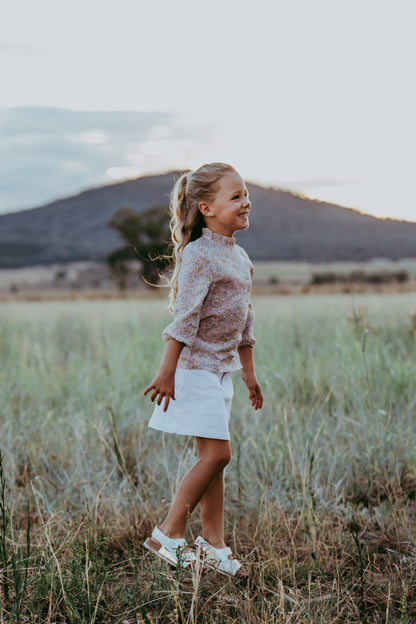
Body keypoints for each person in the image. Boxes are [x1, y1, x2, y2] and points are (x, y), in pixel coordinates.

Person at [143, 162, 263, 578]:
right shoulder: (198, 255)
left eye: (246, 193)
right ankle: (168, 533)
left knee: (213, 460)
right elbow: (185, 318)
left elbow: (245, 320)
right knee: (219, 455)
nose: (246, 201)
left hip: (220, 371)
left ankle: (214, 544)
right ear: (207, 208)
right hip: (193, 368)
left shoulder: (239, 256)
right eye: (236, 196)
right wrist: (166, 372)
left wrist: (248, 373)